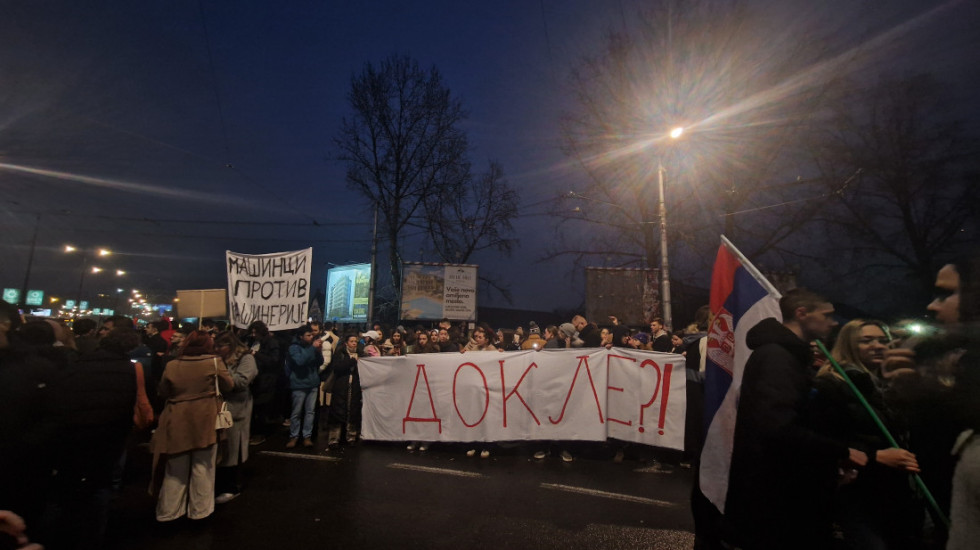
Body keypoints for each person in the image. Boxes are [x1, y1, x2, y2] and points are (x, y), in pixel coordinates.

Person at [723, 289, 867, 550]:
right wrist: (841, 451)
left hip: (783, 492)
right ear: (802, 314)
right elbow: (777, 426)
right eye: (827, 315)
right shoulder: (778, 357)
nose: (833, 323)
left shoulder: (787, 356)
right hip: (777, 496)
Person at [810, 320, 922, 549]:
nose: (878, 346)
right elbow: (824, 438)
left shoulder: (885, 384)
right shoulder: (831, 384)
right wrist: (875, 456)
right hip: (857, 492)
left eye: (883, 340)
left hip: (894, 492)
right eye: (867, 340)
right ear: (849, 344)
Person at [43, 327, 142, 549]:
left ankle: (51, 536)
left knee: (63, 488)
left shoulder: (78, 363)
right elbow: (133, 405)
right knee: (101, 486)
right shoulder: (130, 369)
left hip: (72, 435)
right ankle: (92, 537)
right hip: (109, 438)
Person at [150, 331, 233, 522]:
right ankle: (200, 512)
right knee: (203, 466)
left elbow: (163, 391)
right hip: (205, 416)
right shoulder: (214, 362)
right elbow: (228, 385)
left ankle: (169, 512)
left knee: (175, 467)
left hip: (177, 416)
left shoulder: (172, 364)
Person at [213, 331, 258, 504]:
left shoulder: (246, 359)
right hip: (217, 408)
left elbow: (241, 382)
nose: (217, 349)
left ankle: (231, 486)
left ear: (230, 346)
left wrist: (220, 375)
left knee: (233, 449)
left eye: (220, 346)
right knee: (220, 449)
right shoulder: (217, 359)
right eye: (215, 346)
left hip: (236, 409)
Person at [285, 325, 323, 448]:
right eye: (308, 335)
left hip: (312, 383)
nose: (311, 337)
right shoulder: (294, 348)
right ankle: (294, 436)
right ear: (301, 336)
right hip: (299, 384)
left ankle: (307, 436)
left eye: (312, 335)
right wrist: (312, 348)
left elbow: (320, 362)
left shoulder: (311, 347)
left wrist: (318, 352)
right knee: (296, 412)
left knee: (310, 412)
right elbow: (300, 361)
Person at [327, 334, 360, 447]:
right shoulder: (340, 353)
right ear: (346, 343)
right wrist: (351, 361)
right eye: (352, 341)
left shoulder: (360, 354)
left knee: (353, 410)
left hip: (354, 385)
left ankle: (351, 436)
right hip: (341, 386)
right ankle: (334, 438)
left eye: (355, 341)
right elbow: (337, 368)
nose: (354, 343)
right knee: (338, 410)